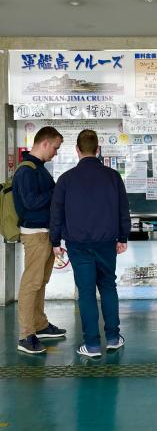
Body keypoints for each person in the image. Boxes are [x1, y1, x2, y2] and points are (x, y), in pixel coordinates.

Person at [50, 129, 131, 358]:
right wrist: (123, 237)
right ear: (98, 149)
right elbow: (123, 209)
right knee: (108, 287)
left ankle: (92, 345)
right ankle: (113, 338)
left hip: (78, 244)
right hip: (106, 243)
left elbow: (56, 214)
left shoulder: (66, 179)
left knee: (86, 292)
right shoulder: (113, 177)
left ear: (77, 150)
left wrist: (55, 241)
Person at [12, 126, 66, 354]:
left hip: (45, 232)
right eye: (55, 148)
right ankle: (26, 335)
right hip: (35, 234)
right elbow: (31, 202)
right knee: (31, 283)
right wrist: (57, 191)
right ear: (45, 143)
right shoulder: (27, 170)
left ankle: (40, 324)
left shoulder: (39, 169)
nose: (56, 153)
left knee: (41, 281)